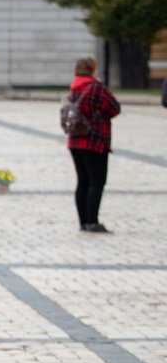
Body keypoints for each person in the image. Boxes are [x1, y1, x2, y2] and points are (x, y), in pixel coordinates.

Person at [67, 56, 120, 234]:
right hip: (94, 140)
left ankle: (83, 222)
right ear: (92, 69)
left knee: (82, 181)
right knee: (96, 182)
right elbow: (114, 108)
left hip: (75, 140)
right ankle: (92, 221)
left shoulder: (75, 86)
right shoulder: (96, 87)